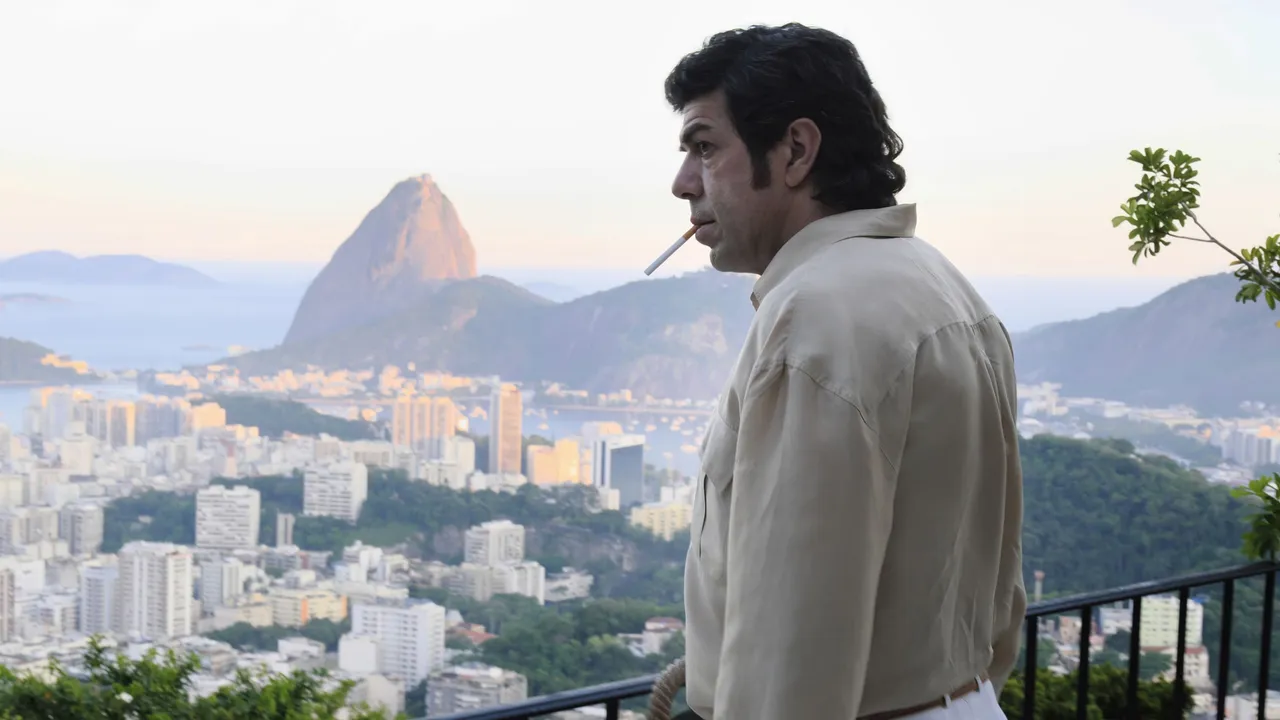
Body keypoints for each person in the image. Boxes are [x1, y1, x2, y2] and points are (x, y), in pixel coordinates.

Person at [666, 24, 1026, 720]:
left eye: (705, 147)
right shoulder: (943, 284)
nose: (683, 182)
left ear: (796, 151)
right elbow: (1000, 583)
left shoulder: (815, 317)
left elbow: (791, 648)